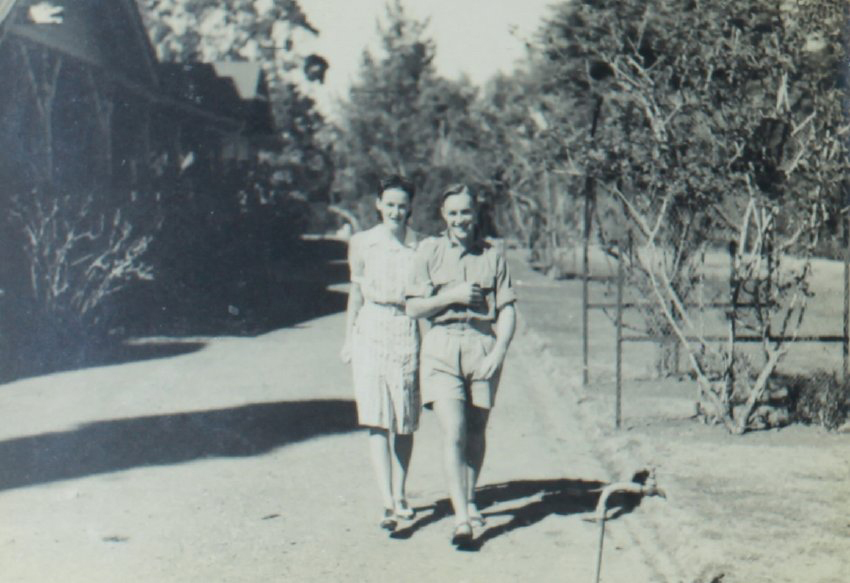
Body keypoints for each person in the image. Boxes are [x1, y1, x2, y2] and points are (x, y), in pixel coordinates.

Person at [405, 183, 517, 546]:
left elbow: (508, 308)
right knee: (453, 431)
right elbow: (413, 307)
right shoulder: (430, 251)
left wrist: (499, 352)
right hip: (441, 347)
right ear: (443, 215)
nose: (460, 220)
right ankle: (462, 518)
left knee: (475, 430)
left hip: (481, 346)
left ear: (475, 213)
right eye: (453, 213)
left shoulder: (492, 255)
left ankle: (470, 496)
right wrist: (451, 295)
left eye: (465, 212)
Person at [341, 175, 422, 532]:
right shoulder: (361, 243)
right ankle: (387, 501)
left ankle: (402, 494)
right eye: (389, 204)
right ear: (378, 204)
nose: (396, 211)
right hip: (370, 330)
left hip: (404, 329)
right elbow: (355, 294)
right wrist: (348, 338)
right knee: (376, 418)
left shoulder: (420, 245)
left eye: (402, 205)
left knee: (403, 419)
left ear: (410, 208)